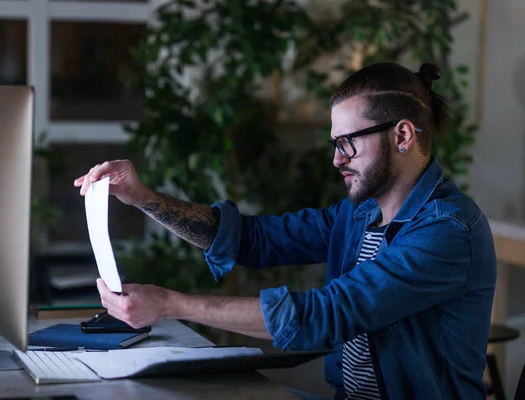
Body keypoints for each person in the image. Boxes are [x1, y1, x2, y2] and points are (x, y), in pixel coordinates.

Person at [74, 62, 496, 400]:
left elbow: (325, 314)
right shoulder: (358, 215)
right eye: (335, 144)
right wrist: (141, 196)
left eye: (347, 143)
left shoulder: (448, 231)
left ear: (402, 134)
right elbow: (256, 240)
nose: (337, 160)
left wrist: (168, 304)